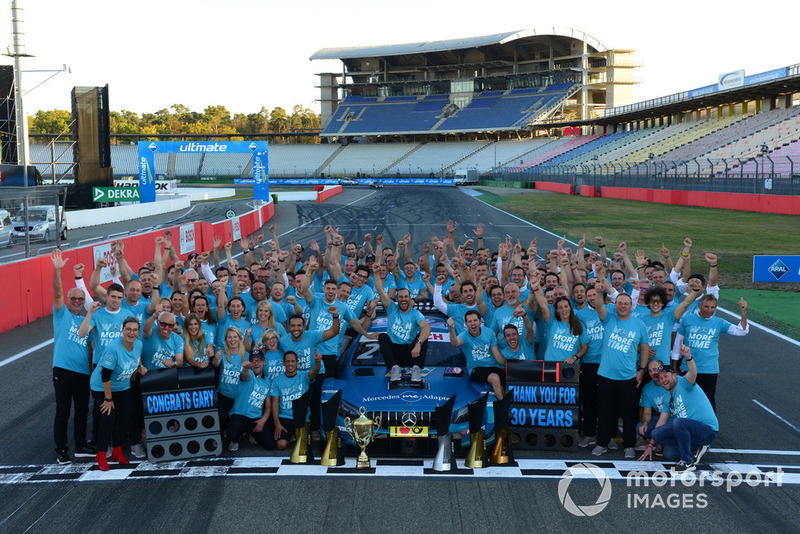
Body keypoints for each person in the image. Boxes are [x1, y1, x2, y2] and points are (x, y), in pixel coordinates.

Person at [589, 283, 650, 460]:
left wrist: (642, 369)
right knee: (606, 412)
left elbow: (644, 349)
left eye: (626, 303)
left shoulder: (639, 324)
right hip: (606, 376)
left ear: (631, 306)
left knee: (629, 414)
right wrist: (599, 291)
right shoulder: (609, 318)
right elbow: (599, 305)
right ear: (615, 305)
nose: (622, 306)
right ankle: (602, 442)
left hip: (628, 377)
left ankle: (629, 445)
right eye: (620, 303)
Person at [50, 250, 95, 464]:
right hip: (63, 370)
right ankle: (61, 450)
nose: (77, 301)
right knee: (63, 411)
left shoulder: (88, 321)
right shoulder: (62, 314)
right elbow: (57, 292)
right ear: (68, 300)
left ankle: (80, 445)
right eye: (73, 298)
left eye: (80, 298)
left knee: (82, 411)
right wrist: (58, 270)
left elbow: (90, 348)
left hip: (83, 372)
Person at [646, 345, 719, 472]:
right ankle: (696, 447)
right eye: (661, 377)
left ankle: (688, 462)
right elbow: (661, 421)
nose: (663, 380)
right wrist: (650, 444)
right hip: (689, 430)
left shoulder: (683, 383)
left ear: (674, 376)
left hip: (707, 430)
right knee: (658, 435)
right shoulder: (668, 397)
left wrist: (688, 357)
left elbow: (693, 373)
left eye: (666, 376)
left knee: (678, 422)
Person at [674, 294, 748, 411]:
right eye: (706, 307)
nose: (709, 310)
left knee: (707, 400)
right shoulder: (687, 319)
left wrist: (744, 313)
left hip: (709, 369)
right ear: (699, 305)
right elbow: (678, 344)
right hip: (687, 367)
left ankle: (710, 427)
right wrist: (674, 366)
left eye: (712, 307)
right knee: (684, 399)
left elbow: (741, 331)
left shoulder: (719, 322)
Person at [89, 315, 143, 471]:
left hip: (122, 385)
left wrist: (139, 367)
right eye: (128, 329)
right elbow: (105, 375)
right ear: (122, 330)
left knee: (124, 417)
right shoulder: (113, 349)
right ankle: (101, 453)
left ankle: (118, 451)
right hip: (102, 386)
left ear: (138, 332)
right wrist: (108, 398)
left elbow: (136, 358)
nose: (131, 333)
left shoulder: (138, 345)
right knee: (108, 418)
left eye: (134, 330)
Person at [372, 263, 430, 383]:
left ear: (410, 299)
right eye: (401, 297)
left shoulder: (415, 313)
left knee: (424, 336)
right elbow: (381, 291)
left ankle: (416, 369)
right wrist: (376, 274)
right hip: (394, 354)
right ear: (397, 299)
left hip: (412, 353)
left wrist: (418, 344)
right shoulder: (391, 308)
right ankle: (395, 368)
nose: (403, 299)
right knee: (382, 336)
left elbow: (426, 327)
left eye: (406, 297)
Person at [447, 311, 506, 399]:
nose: (473, 323)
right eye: (470, 321)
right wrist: (452, 329)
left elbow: (497, 355)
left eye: (475, 320)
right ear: (466, 324)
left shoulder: (489, 332)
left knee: (510, 380)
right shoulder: (464, 335)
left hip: (494, 366)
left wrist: (508, 365)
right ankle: (504, 409)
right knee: (495, 378)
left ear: (480, 321)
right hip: (476, 368)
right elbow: (455, 343)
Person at [270, 351, 322, 451]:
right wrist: (277, 423)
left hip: (302, 417)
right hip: (285, 417)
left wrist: (318, 362)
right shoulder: (277, 380)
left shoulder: (304, 376)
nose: (290, 364)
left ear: (297, 363)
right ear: (284, 363)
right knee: (281, 445)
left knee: (304, 447)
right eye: (288, 361)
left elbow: (314, 372)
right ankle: (290, 436)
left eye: (293, 361)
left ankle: (294, 435)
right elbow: (275, 403)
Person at [530, 279, 588, 364]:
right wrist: (536, 289)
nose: (563, 310)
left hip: (569, 367)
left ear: (570, 308)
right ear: (556, 310)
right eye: (560, 308)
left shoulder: (579, 325)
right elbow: (543, 305)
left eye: (565, 306)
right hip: (550, 365)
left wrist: (574, 357)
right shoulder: (552, 323)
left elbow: (584, 348)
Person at [226, 349, 274, 452]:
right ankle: (236, 438)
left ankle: (251, 433)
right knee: (232, 433)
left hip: (255, 418)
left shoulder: (268, 382)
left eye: (259, 360)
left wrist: (263, 420)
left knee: (270, 445)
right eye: (253, 360)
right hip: (240, 415)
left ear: (264, 362)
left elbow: (269, 406)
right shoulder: (249, 375)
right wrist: (246, 368)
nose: (256, 363)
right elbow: (245, 375)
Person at [212, 327, 248, 437]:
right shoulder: (222, 353)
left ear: (240, 338)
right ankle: (223, 431)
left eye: (235, 337)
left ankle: (239, 433)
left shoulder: (246, 355)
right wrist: (216, 358)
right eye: (229, 337)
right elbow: (215, 364)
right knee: (222, 416)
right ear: (226, 340)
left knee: (236, 420)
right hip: (224, 393)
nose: (232, 340)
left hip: (239, 395)